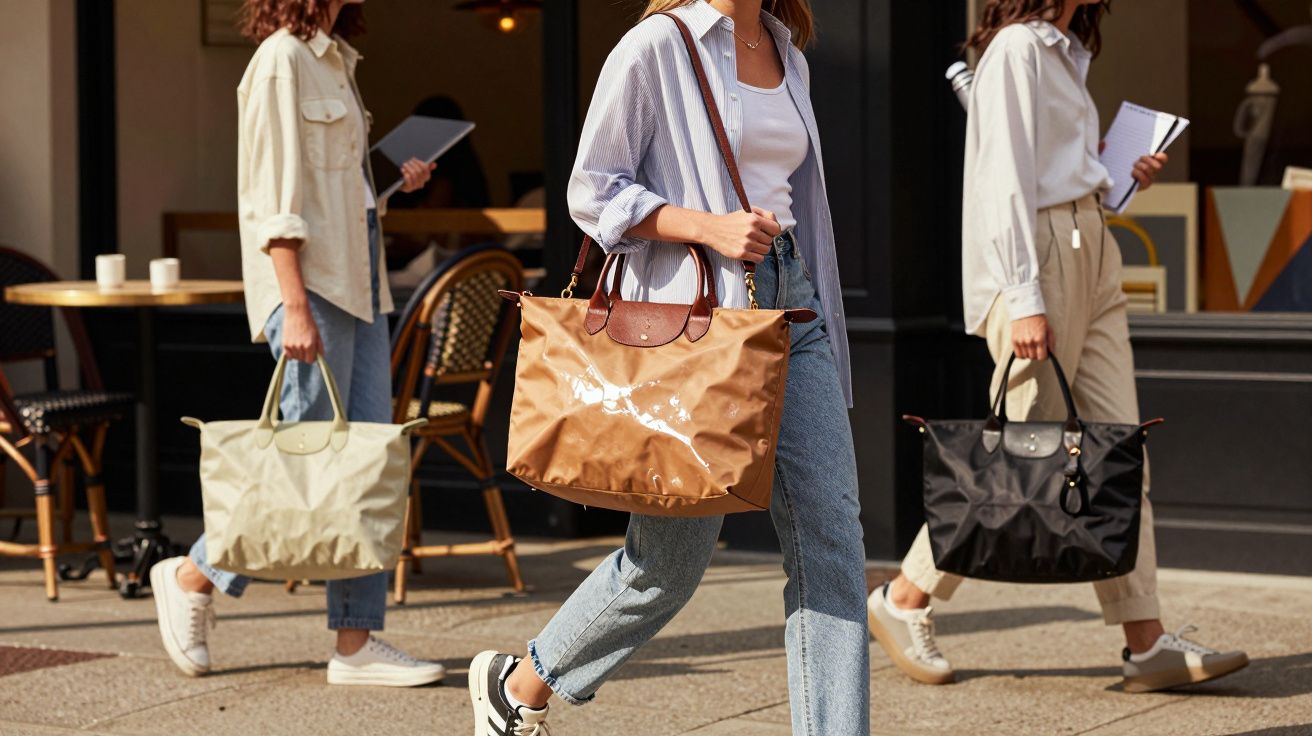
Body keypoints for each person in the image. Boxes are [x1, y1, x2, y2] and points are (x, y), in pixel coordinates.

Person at [466, 1, 871, 734]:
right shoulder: (655, 45)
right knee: (667, 563)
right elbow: (592, 189)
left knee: (833, 542)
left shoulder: (789, 53)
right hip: (697, 323)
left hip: (792, 305)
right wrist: (706, 227)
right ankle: (521, 683)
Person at [866, 0, 1250, 694]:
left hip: (1090, 244)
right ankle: (904, 597)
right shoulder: (1017, 50)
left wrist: (1115, 175)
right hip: (1042, 259)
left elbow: (1054, 171)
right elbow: (1002, 182)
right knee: (1019, 452)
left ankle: (1145, 642)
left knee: (1120, 452)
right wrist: (1024, 298)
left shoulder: (1065, 51)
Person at [150, 0, 446, 687]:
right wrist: (294, 306)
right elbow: (272, 201)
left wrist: (388, 186)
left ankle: (354, 642)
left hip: (361, 287)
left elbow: (335, 191)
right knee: (293, 460)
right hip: (313, 291)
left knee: (366, 465)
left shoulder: (337, 60)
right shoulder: (281, 61)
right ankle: (194, 575)